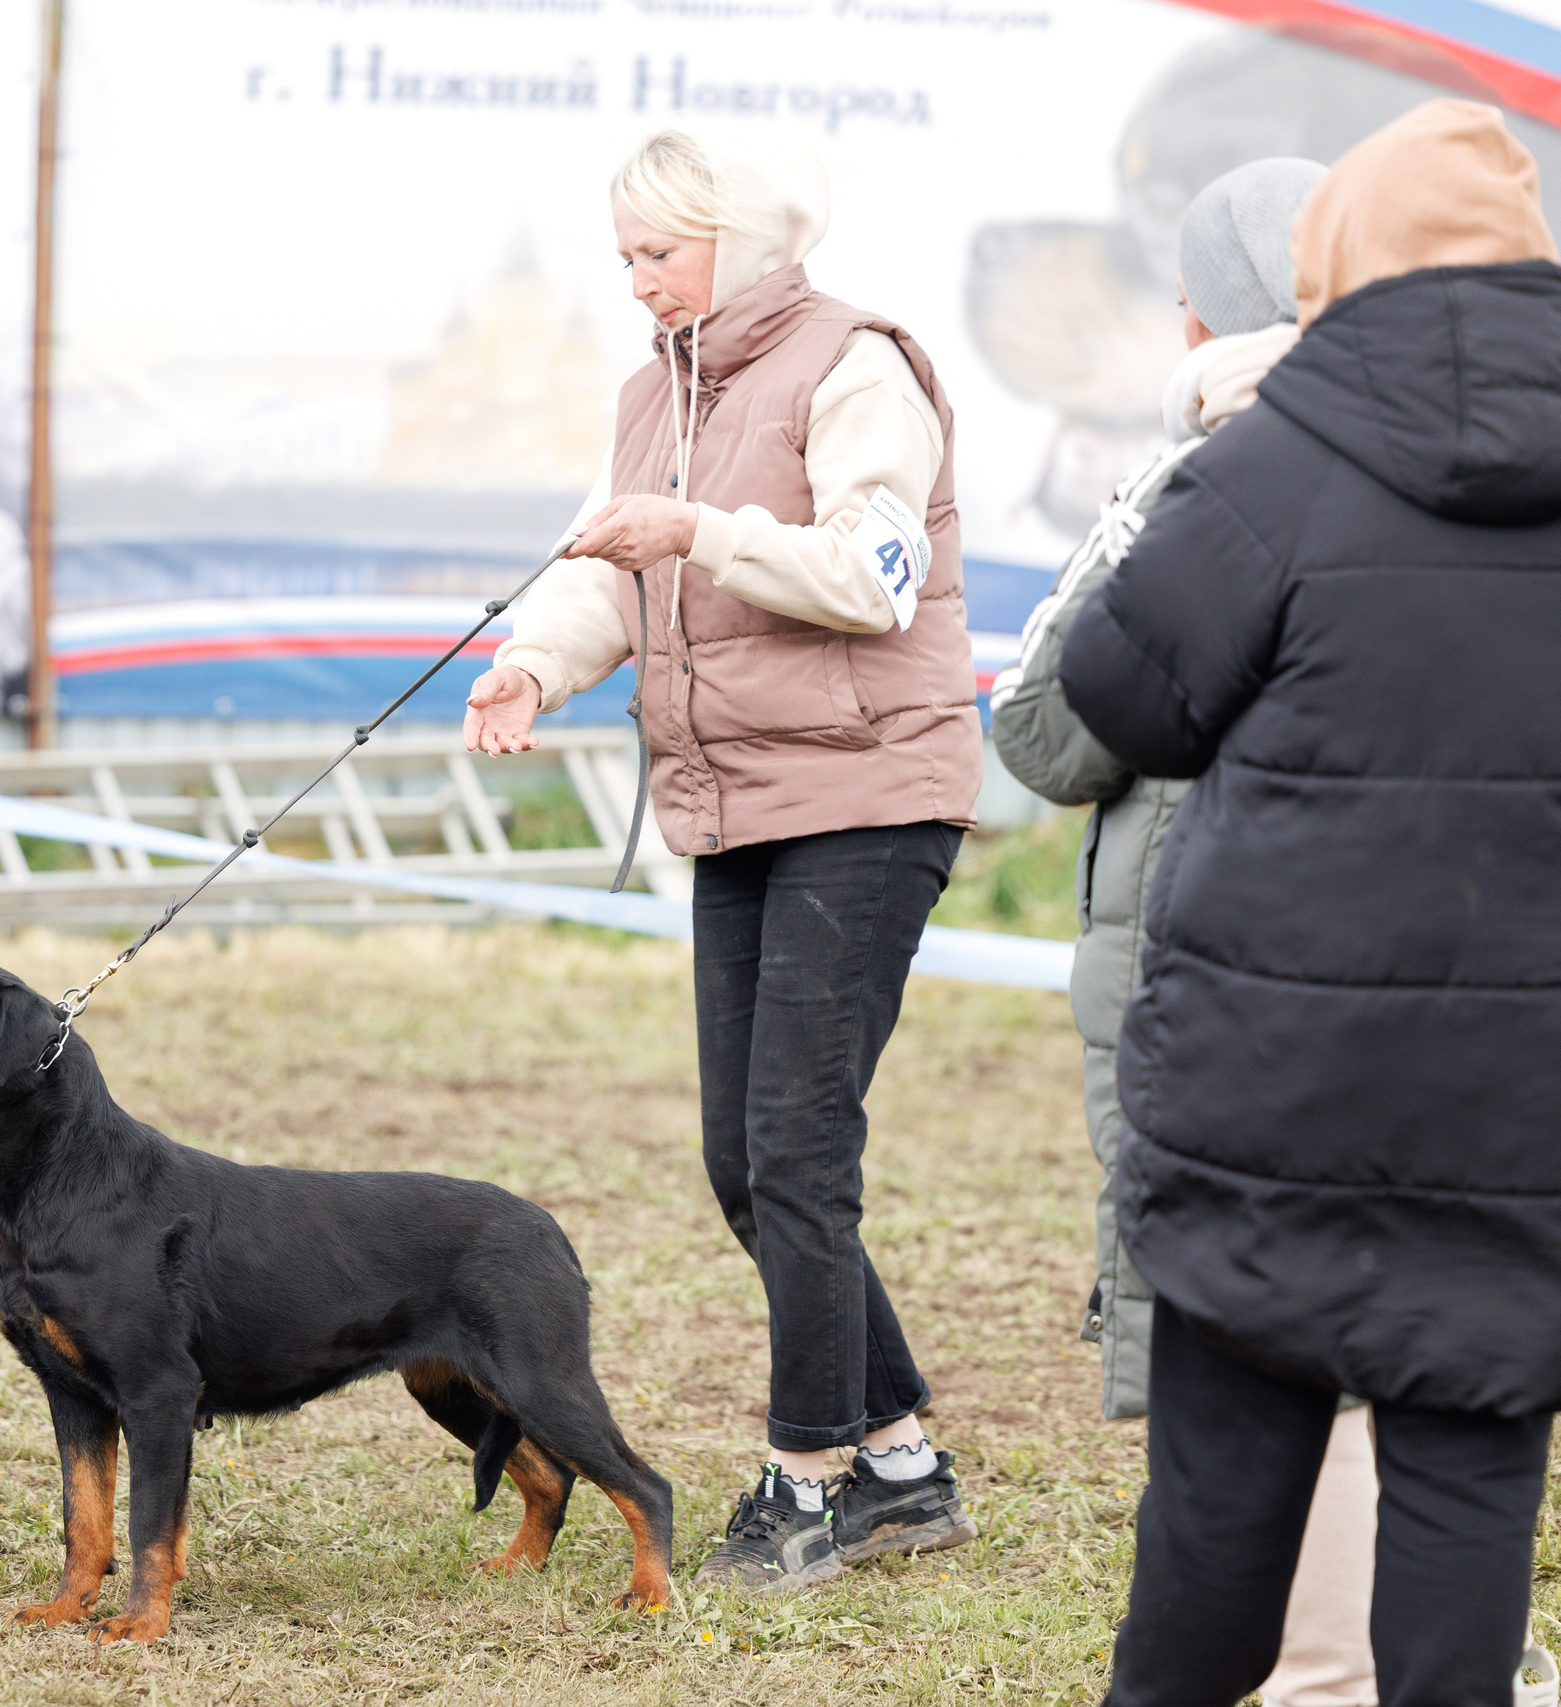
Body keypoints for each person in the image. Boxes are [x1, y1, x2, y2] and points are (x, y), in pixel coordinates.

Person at [1058, 100, 1561, 1706]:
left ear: (1333, 265)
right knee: (1470, 1505)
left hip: (1266, 1101)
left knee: (1217, 1517)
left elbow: (1115, 702)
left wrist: (1196, 451)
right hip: (1521, 1118)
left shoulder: (1276, 458)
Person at [463, 127, 983, 1592]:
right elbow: (619, 572)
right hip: (736, 801)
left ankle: (806, 1479)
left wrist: (700, 524)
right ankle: (904, 1467)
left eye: (657, 255)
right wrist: (535, 665)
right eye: (623, 258)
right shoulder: (658, 392)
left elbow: (873, 579)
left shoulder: (856, 364)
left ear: (738, 243)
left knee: (799, 1155)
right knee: (738, 1159)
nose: (635, 284)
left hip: (871, 797)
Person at [991, 157, 1388, 1707]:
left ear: (1205, 314)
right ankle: (1405, 1646)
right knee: (1382, 1324)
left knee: (1240, 1350)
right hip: (1399, 974)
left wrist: (1127, 503)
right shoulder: (1443, 454)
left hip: (1203, 971)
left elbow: (1046, 735)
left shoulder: (1207, 480)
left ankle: (1315, 1670)